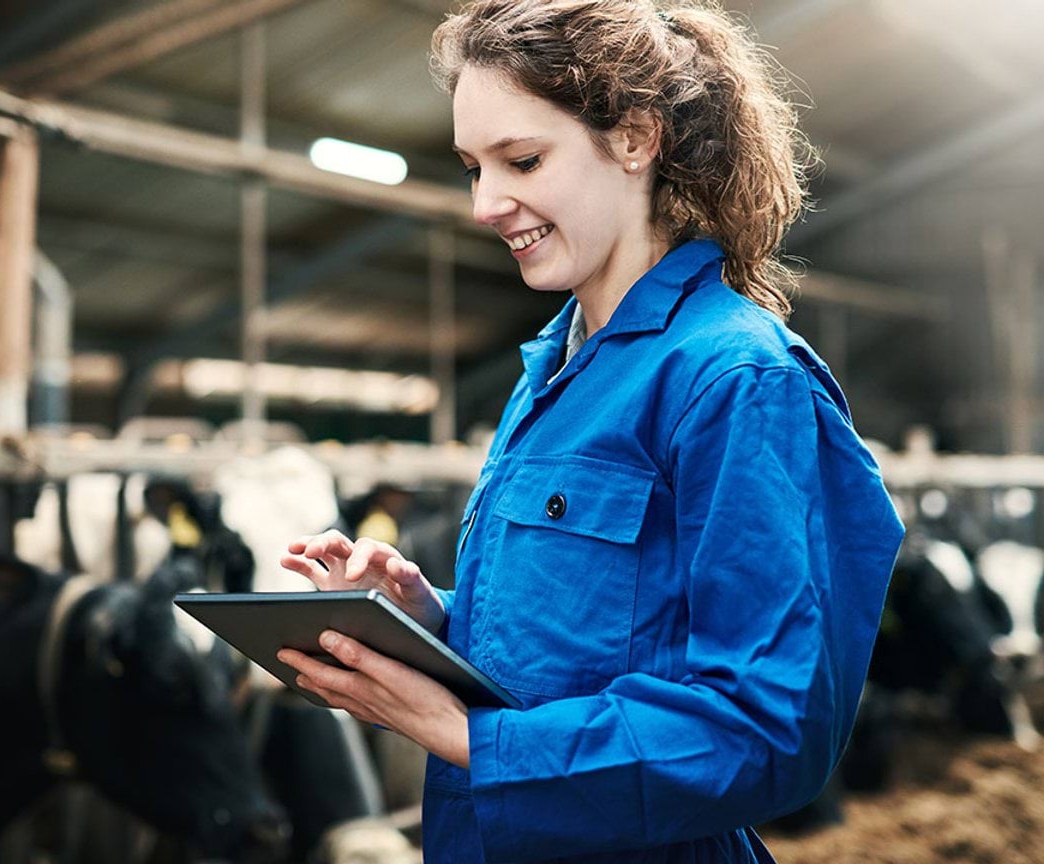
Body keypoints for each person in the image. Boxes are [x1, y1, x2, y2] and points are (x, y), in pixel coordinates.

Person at [275, 2, 905, 861]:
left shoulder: (734, 379)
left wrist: (466, 736)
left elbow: (767, 731)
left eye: (522, 160)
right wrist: (425, 621)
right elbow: (578, 649)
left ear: (637, 139)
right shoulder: (554, 373)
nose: (486, 204)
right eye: (472, 167)